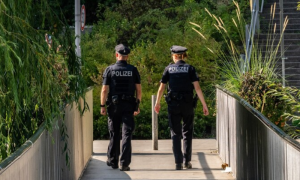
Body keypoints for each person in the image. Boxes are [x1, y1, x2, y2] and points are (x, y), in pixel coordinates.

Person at [154, 45, 209, 170]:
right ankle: (186, 161)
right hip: (188, 104)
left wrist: (157, 103)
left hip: (173, 104)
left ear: (174, 56)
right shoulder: (190, 69)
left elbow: (161, 88)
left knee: (175, 132)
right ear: (184, 56)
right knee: (187, 132)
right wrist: (204, 105)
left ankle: (178, 162)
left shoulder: (168, 69)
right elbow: (197, 88)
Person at [100, 44, 142, 171]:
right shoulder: (133, 70)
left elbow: (104, 90)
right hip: (129, 106)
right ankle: (124, 163)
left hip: (114, 106)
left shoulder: (109, 69)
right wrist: (137, 105)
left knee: (114, 133)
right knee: (126, 134)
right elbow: (138, 90)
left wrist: (102, 105)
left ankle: (113, 161)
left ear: (116, 55)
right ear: (127, 56)